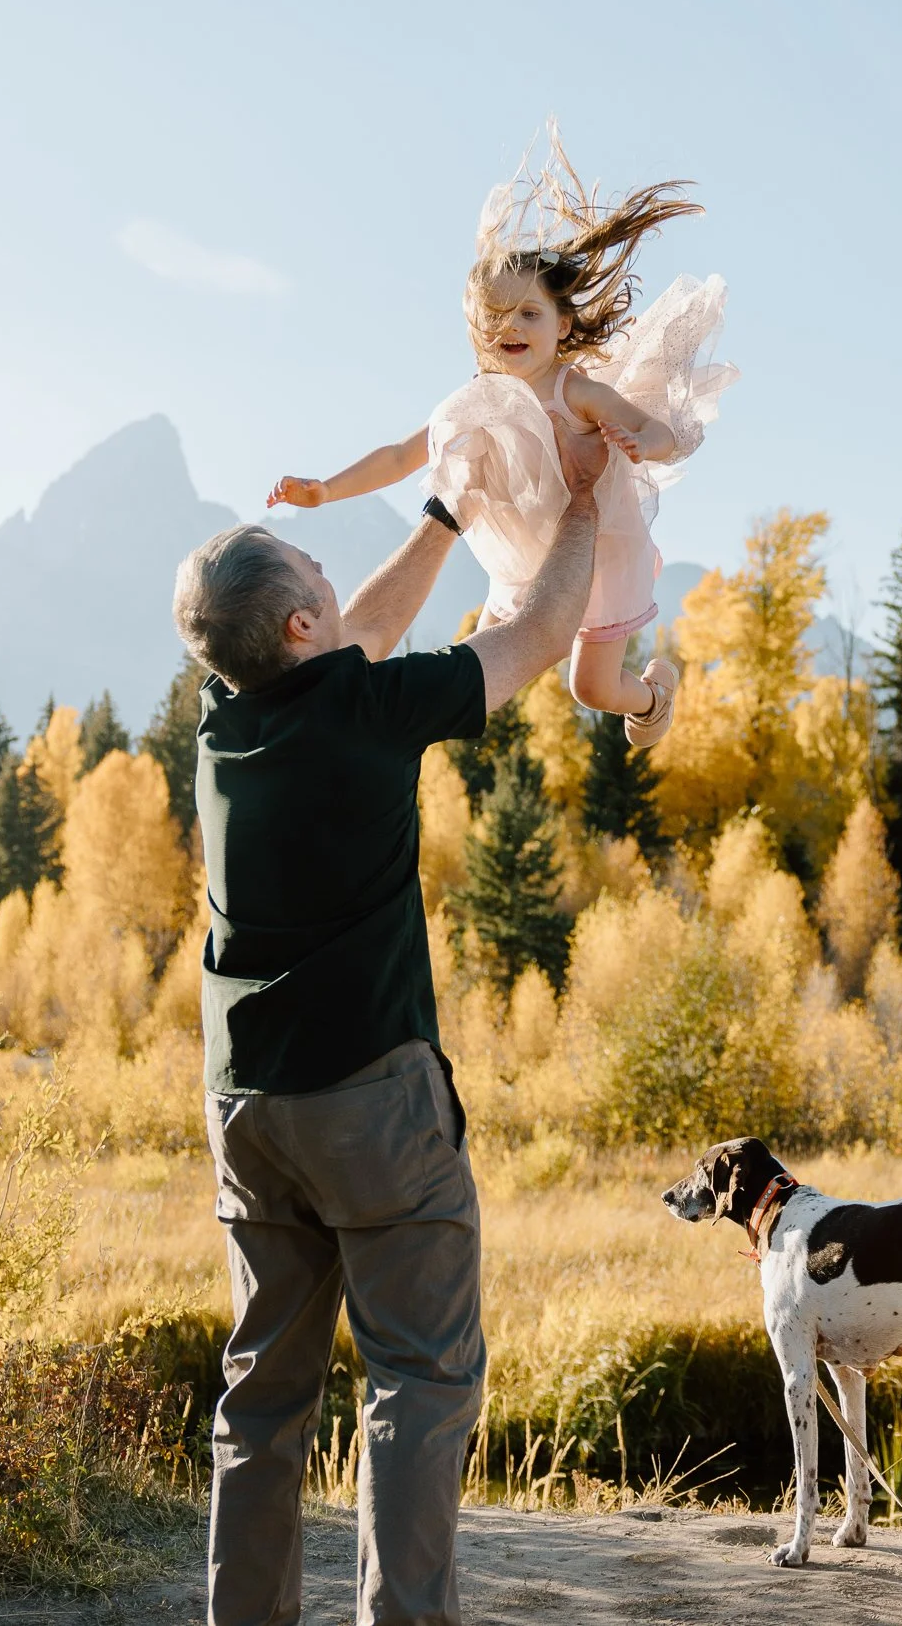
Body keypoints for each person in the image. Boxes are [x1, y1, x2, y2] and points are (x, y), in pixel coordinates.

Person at [171, 413, 611, 1626]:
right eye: (313, 566)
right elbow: (533, 637)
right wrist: (580, 501)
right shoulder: (367, 713)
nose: (328, 570)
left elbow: (354, 629)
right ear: (301, 624)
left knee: (263, 1394)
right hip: (371, 1099)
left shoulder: (224, 725)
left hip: (246, 1108)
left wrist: (443, 511)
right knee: (418, 1382)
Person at [266, 125, 735, 750]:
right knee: (474, 668)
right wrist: (325, 490)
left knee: (590, 689)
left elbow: (662, 430)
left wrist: (640, 443)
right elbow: (404, 455)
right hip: (521, 560)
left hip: (598, 552)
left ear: (562, 325)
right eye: (496, 316)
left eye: (529, 314)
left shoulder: (578, 393)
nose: (510, 327)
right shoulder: (474, 401)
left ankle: (654, 696)